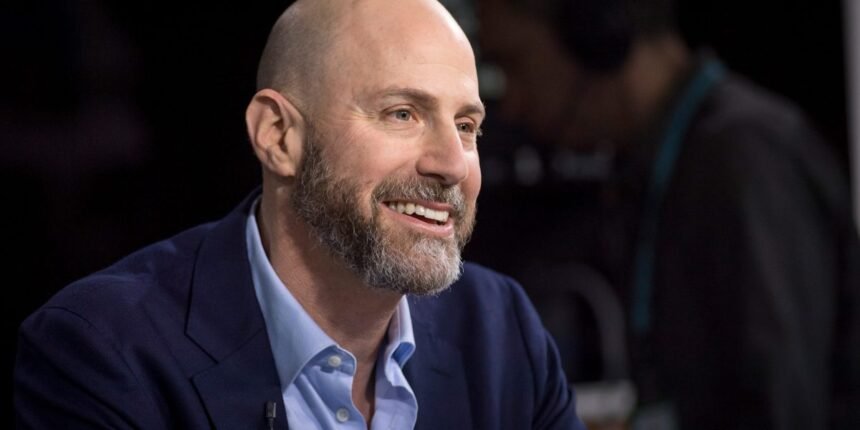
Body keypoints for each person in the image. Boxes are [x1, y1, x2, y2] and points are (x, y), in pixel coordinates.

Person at [13, 0, 586, 428]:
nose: (453, 164)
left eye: (466, 126)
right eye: (402, 113)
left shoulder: (502, 330)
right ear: (279, 136)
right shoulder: (102, 353)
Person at [474, 0, 860, 428]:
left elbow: (782, 405)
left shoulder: (742, 158)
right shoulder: (675, 160)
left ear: (594, 35)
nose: (511, 105)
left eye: (513, 65)